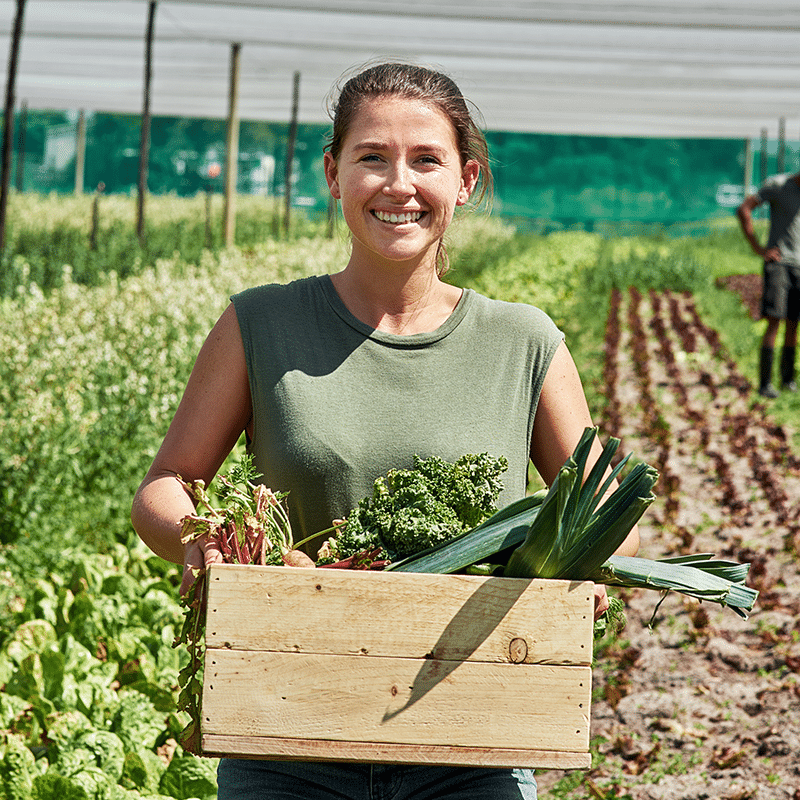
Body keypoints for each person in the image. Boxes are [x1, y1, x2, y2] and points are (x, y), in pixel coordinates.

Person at [131, 61, 639, 800]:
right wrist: (203, 540)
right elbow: (167, 483)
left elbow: (606, 510)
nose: (398, 184)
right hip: (284, 730)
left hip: (471, 739)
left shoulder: (524, 343)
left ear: (464, 181)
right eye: (373, 157)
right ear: (334, 174)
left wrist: (580, 566)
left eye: (425, 160)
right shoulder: (260, 324)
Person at [736, 171, 800, 397]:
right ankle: (765, 383)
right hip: (780, 264)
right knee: (775, 321)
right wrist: (758, 248)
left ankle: (788, 380)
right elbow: (744, 209)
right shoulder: (778, 185)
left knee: (794, 323)